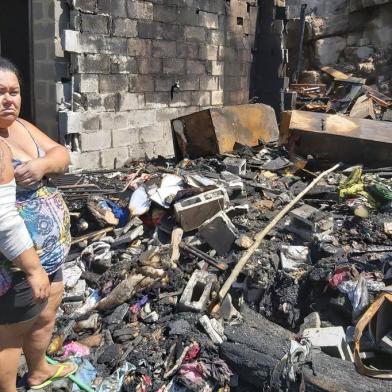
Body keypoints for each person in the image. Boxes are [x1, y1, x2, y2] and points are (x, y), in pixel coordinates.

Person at [0, 57, 76, 391]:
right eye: (0, 92)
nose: (8, 99)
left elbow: (62, 153)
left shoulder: (19, 127)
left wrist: (43, 164)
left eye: (14, 92)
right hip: (18, 264)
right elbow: (2, 220)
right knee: (10, 336)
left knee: (46, 314)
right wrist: (32, 269)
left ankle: (39, 370)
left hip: (49, 256)